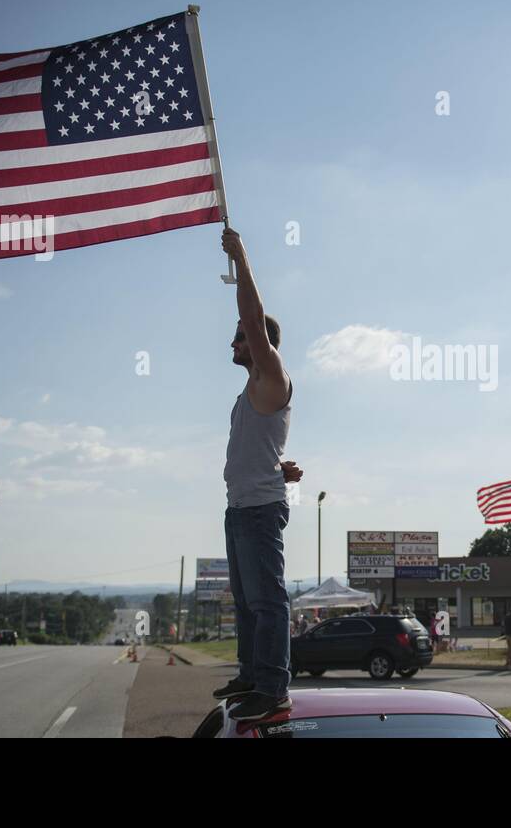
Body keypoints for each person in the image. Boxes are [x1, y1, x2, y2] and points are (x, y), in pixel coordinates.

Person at [210, 224, 298, 723]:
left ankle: (273, 688)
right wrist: (281, 469)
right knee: (245, 601)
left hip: (260, 512)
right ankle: (252, 673)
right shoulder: (251, 394)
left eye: (239, 339)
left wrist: (241, 258)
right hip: (240, 508)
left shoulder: (274, 377)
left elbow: (250, 315)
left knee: (268, 599)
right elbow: (260, 447)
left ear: (260, 342)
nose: (233, 343)